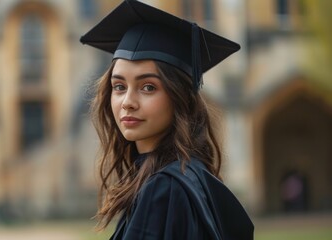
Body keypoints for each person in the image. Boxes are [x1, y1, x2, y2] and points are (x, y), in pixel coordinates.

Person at [80, 1, 254, 239]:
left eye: (148, 87)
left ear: (179, 96)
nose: (128, 102)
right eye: (119, 86)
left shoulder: (164, 189)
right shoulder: (192, 176)